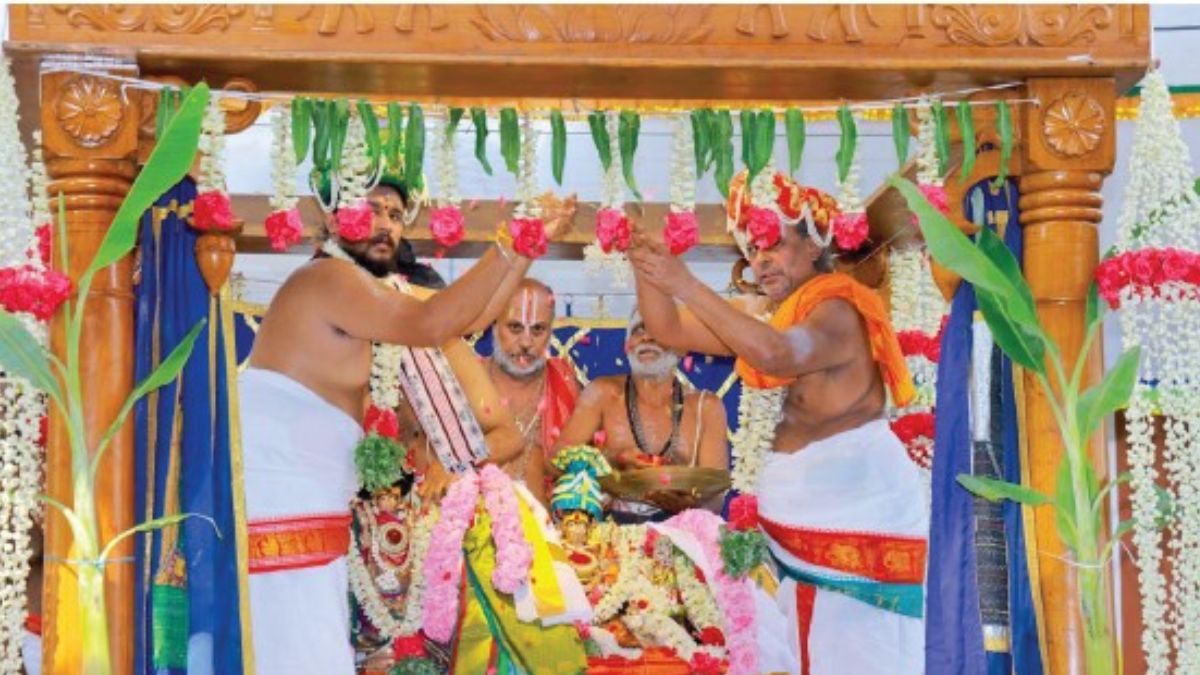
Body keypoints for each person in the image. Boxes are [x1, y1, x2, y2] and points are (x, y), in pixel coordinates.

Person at [239, 169, 575, 675]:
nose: (386, 226)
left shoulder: (369, 289)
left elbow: (469, 318)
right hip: (283, 513)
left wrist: (529, 241)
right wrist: (511, 237)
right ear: (334, 218)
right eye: (372, 209)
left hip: (313, 511)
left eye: (396, 215)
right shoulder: (326, 279)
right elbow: (431, 322)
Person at [627, 169, 927, 674]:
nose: (760, 259)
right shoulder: (777, 315)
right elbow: (667, 327)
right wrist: (646, 264)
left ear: (813, 245)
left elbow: (777, 355)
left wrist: (686, 284)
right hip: (800, 549)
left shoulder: (837, 308)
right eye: (751, 249)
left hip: (856, 547)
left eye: (773, 244)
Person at [554, 309, 728, 523]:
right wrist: (613, 458)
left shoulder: (706, 407)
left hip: (680, 531)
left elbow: (715, 498)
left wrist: (684, 506)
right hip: (609, 531)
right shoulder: (603, 393)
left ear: (682, 347)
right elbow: (555, 462)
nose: (647, 337)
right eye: (638, 330)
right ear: (628, 346)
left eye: (658, 329)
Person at [484, 278, 581, 505]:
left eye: (538, 329)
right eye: (515, 327)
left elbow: (587, 470)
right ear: (494, 325)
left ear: (550, 331)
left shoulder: (565, 385)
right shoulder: (470, 383)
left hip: (550, 522)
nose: (526, 342)